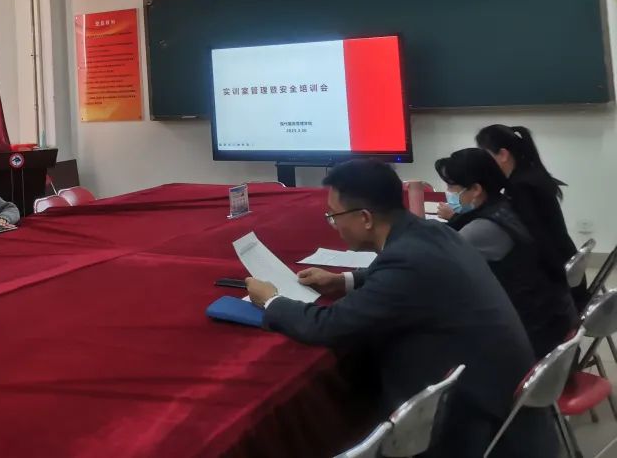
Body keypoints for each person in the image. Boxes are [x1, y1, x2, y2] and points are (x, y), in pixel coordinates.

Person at [245, 159, 555, 458]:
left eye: (334, 216)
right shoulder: (432, 231)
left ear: (365, 218)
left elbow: (327, 326)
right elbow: (402, 275)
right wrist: (344, 281)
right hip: (507, 391)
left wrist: (272, 300)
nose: (334, 225)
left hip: (475, 413)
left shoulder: (405, 261)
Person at [435, 148, 575, 358]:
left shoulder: (481, 229)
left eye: (452, 186)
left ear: (476, 189)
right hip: (548, 323)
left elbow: (440, 268)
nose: (448, 191)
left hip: (528, 340)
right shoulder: (506, 206)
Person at [474, 124, 586, 309]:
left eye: (486, 156)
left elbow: (536, 239)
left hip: (556, 283)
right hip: (566, 268)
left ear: (503, 154)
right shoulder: (532, 175)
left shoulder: (520, 187)